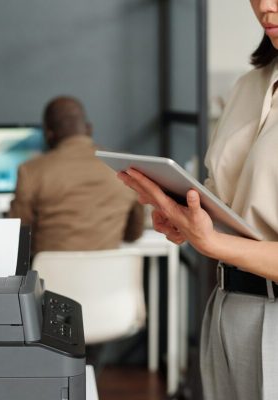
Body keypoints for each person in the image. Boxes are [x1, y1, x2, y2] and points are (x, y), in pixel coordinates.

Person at [118, 1, 278, 399]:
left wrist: (213, 242)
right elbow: (224, 198)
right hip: (228, 308)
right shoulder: (248, 85)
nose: (265, 7)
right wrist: (185, 216)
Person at [9, 96, 144, 255]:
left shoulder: (30, 171)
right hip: (107, 277)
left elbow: (18, 237)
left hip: (52, 277)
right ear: (89, 129)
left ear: (48, 134)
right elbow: (134, 233)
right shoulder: (125, 167)